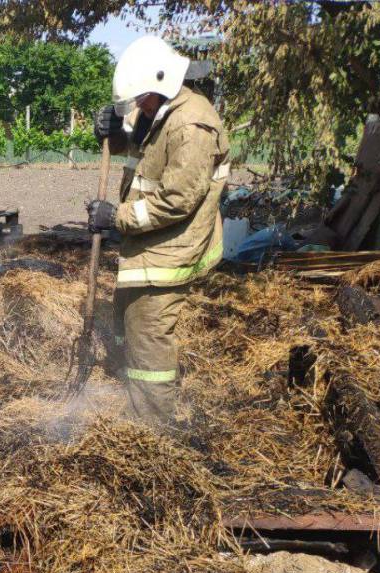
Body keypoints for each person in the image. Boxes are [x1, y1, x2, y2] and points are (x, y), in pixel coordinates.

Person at [88, 36, 230, 423]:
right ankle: (128, 394)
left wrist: (115, 218)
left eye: (141, 98)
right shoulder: (158, 109)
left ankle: (153, 429)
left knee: (149, 335)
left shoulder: (193, 124)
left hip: (172, 248)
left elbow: (176, 201)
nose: (137, 105)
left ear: (163, 83)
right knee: (127, 321)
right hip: (147, 245)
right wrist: (112, 132)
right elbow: (137, 147)